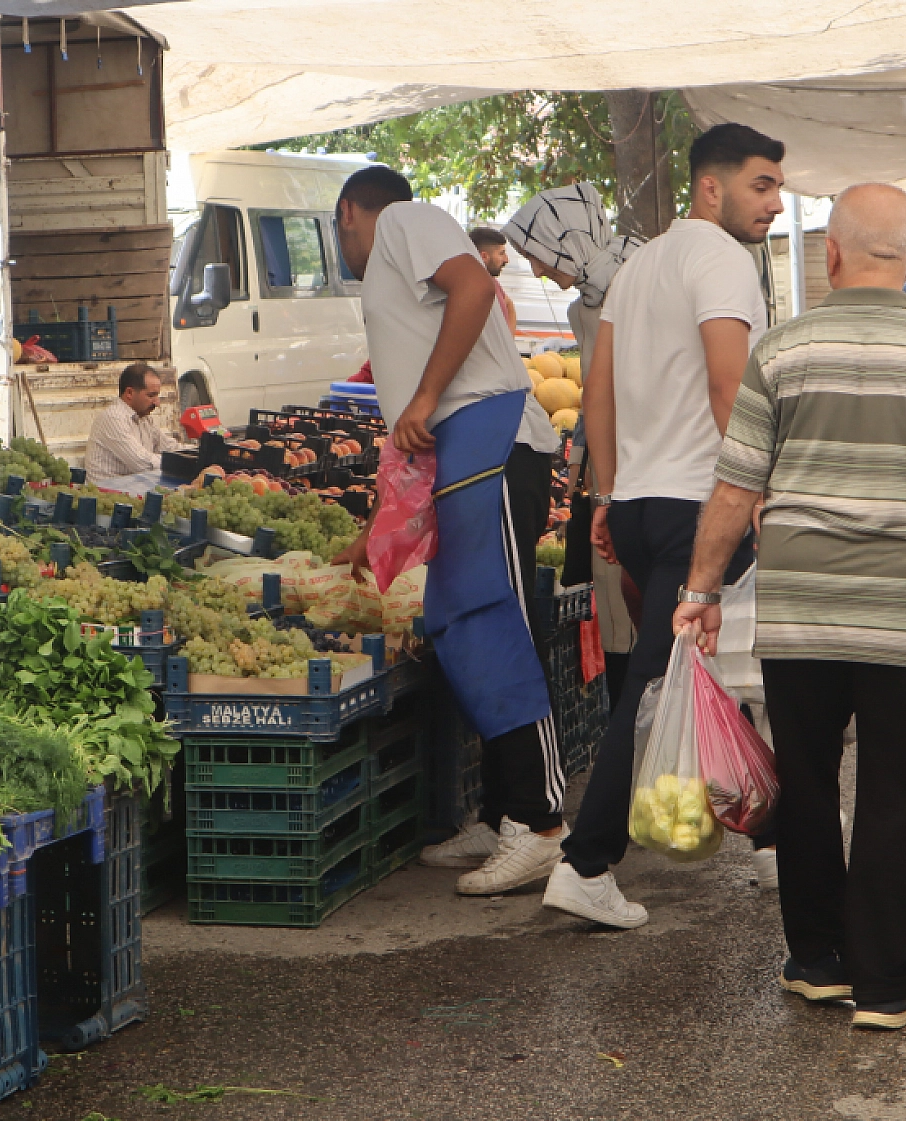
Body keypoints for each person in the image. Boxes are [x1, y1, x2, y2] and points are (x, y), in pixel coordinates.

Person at [675, 181, 906, 1032]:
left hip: (801, 617)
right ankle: (883, 983)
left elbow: (736, 485)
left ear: (830, 254)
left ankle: (817, 960)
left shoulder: (781, 351)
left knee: (805, 783)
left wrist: (701, 592)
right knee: (900, 795)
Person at [538, 122, 786, 928]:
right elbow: (730, 389)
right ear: (710, 187)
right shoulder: (721, 260)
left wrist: (608, 496)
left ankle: (773, 825)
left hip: (645, 505)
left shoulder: (641, 263)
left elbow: (596, 390)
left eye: (777, 187)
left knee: (708, 665)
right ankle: (585, 859)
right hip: (699, 502)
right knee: (660, 679)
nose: (775, 205)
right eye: (761, 185)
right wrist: (761, 492)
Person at [330, 166, 568, 896]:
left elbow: (472, 288)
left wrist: (430, 394)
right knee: (457, 621)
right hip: (459, 456)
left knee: (492, 621)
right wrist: (376, 527)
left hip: (492, 443)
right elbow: (408, 429)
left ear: (348, 213)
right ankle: (502, 814)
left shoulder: (404, 221)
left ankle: (541, 823)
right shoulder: (395, 272)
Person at [503, 182, 643, 709]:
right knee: (618, 622)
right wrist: (584, 472)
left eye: (539, 256)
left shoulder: (633, 286)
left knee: (637, 621)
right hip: (611, 478)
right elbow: (595, 400)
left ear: (569, 240)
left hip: (640, 480)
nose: (538, 272)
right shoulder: (588, 300)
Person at [83, 362, 189, 483]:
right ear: (129, 393)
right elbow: (143, 464)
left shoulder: (144, 419)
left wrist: (199, 455)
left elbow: (170, 447)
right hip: (109, 494)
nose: (157, 403)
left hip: (133, 490)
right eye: (151, 395)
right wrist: (182, 462)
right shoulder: (113, 419)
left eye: (157, 395)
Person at [469, 227, 519, 335]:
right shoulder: (470, 289)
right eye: (501, 253)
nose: (506, 260)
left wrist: (508, 342)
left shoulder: (494, 283)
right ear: (484, 256)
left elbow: (509, 304)